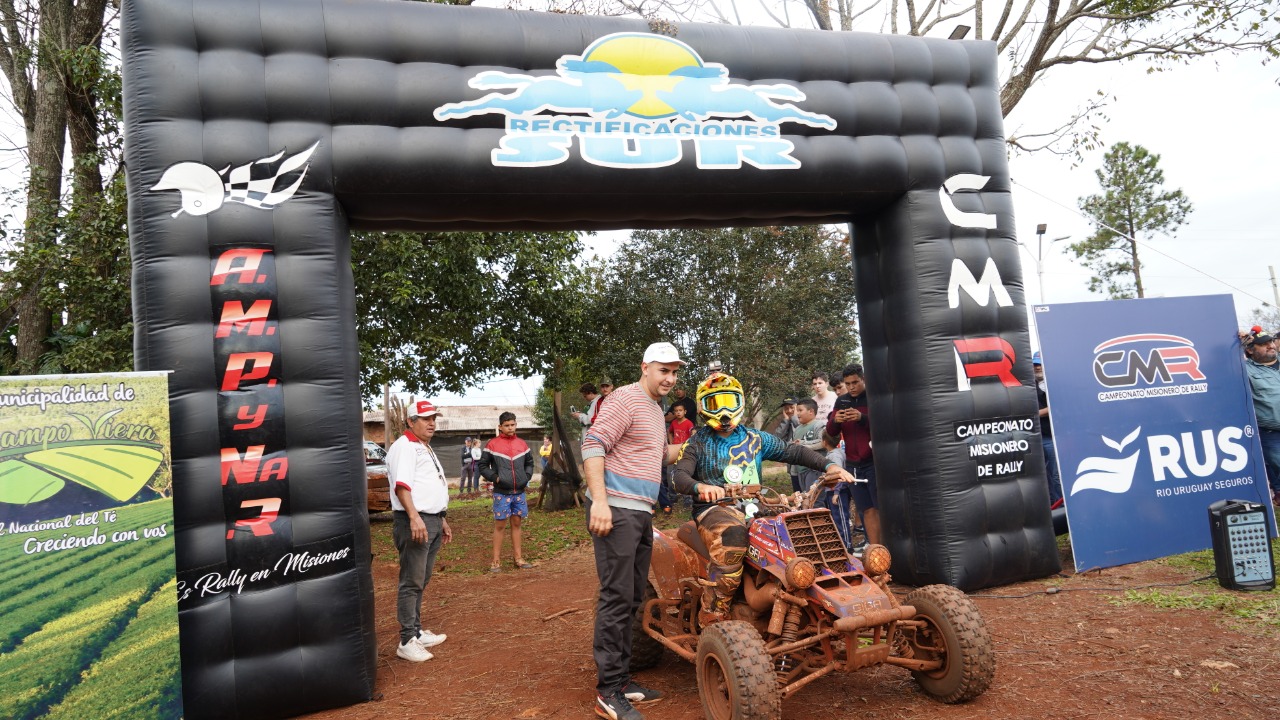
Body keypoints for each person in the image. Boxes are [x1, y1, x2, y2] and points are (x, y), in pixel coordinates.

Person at [672, 372, 854, 625]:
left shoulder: (755, 438)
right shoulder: (697, 442)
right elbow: (679, 476)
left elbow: (793, 452)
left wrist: (828, 466)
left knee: (798, 529)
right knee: (733, 538)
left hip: (756, 505)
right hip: (714, 509)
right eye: (715, 403)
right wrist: (700, 486)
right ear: (704, 407)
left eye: (729, 401)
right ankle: (714, 610)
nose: (723, 410)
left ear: (740, 402)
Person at [582, 342, 684, 720]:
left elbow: (659, 455)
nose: (669, 378)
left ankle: (622, 680)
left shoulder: (655, 410)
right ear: (645, 367)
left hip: (640, 511)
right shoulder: (625, 399)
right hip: (616, 509)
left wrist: (695, 444)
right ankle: (609, 690)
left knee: (634, 596)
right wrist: (600, 501)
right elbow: (593, 445)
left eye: (674, 372)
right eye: (663, 370)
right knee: (617, 596)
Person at [386, 400, 452, 662]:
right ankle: (406, 640)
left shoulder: (422, 445)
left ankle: (416, 631)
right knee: (411, 581)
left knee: (421, 578)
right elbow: (402, 486)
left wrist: (441, 519)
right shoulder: (404, 446)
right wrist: (414, 517)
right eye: (425, 419)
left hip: (430, 519)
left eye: (434, 418)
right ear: (410, 422)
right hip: (414, 520)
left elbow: (428, 486)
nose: (431, 423)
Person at [825, 364, 878, 548]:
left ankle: (886, 550)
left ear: (864, 379)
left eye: (855, 382)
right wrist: (835, 420)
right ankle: (875, 550)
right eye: (847, 384)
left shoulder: (873, 397)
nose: (851, 387)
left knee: (880, 508)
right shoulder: (841, 401)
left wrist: (862, 418)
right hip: (853, 464)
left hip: (874, 462)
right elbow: (831, 431)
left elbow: (885, 424)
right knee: (866, 509)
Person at [478, 411, 536, 572]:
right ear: (500, 427)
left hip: (519, 492)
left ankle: (518, 558)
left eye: (513, 425)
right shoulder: (492, 444)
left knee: (517, 523)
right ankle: (496, 561)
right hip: (501, 493)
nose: (510, 428)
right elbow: (482, 465)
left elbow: (529, 462)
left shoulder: (522, 444)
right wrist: (495, 478)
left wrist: (526, 476)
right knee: (500, 525)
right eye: (507, 425)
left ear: (516, 425)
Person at [1244, 330, 1280, 506]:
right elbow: (1220, 363)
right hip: (1270, 431)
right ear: (1250, 350)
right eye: (1264, 344)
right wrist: (1238, 344)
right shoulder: (1244, 369)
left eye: (1271, 342)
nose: (1270, 346)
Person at [1033, 352, 1063, 507]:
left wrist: (1036, 413)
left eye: (1040, 364)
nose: (1037, 367)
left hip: (1053, 437)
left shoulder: (1054, 384)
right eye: (1035, 364)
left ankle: (1062, 508)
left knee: (1055, 474)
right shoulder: (1029, 385)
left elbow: (1057, 407)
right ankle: (1052, 506)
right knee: (1044, 476)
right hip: (1036, 437)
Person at [659, 403, 696, 513]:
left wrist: (689, 445)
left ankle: (687, 498)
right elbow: (669, 432)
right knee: (670, 475)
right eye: (676, 411)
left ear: (685, 412)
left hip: (685, 453)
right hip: (674, 452)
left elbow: (693, 434)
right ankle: (672, 496)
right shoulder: (674, 423)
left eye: (680, 410)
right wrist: (671, 442)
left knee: (685, 474)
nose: (678, 412)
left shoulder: (689, 423)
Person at [791, 399, 826, 491]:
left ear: (811, 411)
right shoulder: (797, 429)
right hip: (800, 470)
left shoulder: (819, 425)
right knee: (805, 496)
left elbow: (823, 443)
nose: (797, 413)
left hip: (814, 469)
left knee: (814, 497)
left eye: (800, 410)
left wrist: (803, 445)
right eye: (797, 411)